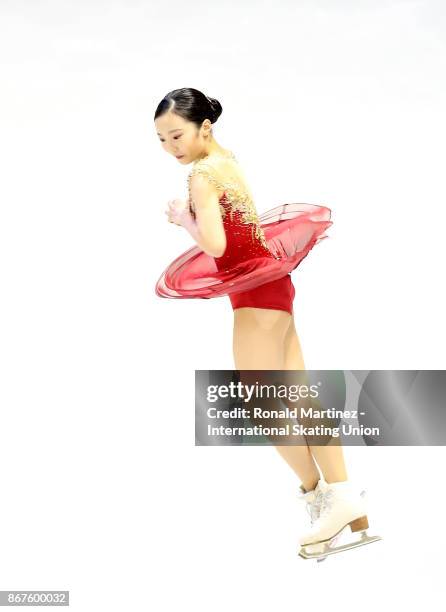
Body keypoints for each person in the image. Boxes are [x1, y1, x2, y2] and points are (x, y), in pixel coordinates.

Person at [154, 88, 380, 560]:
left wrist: (183, 221)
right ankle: (345, 499)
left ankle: (321, 496)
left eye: (176, 134)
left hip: (255, 294)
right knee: (299, 394)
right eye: (161, 140)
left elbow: (216, 246)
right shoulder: (227, 161)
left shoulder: (201, 174)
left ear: (204, 129)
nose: (171, 146)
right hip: (274, 287)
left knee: (263, 406)